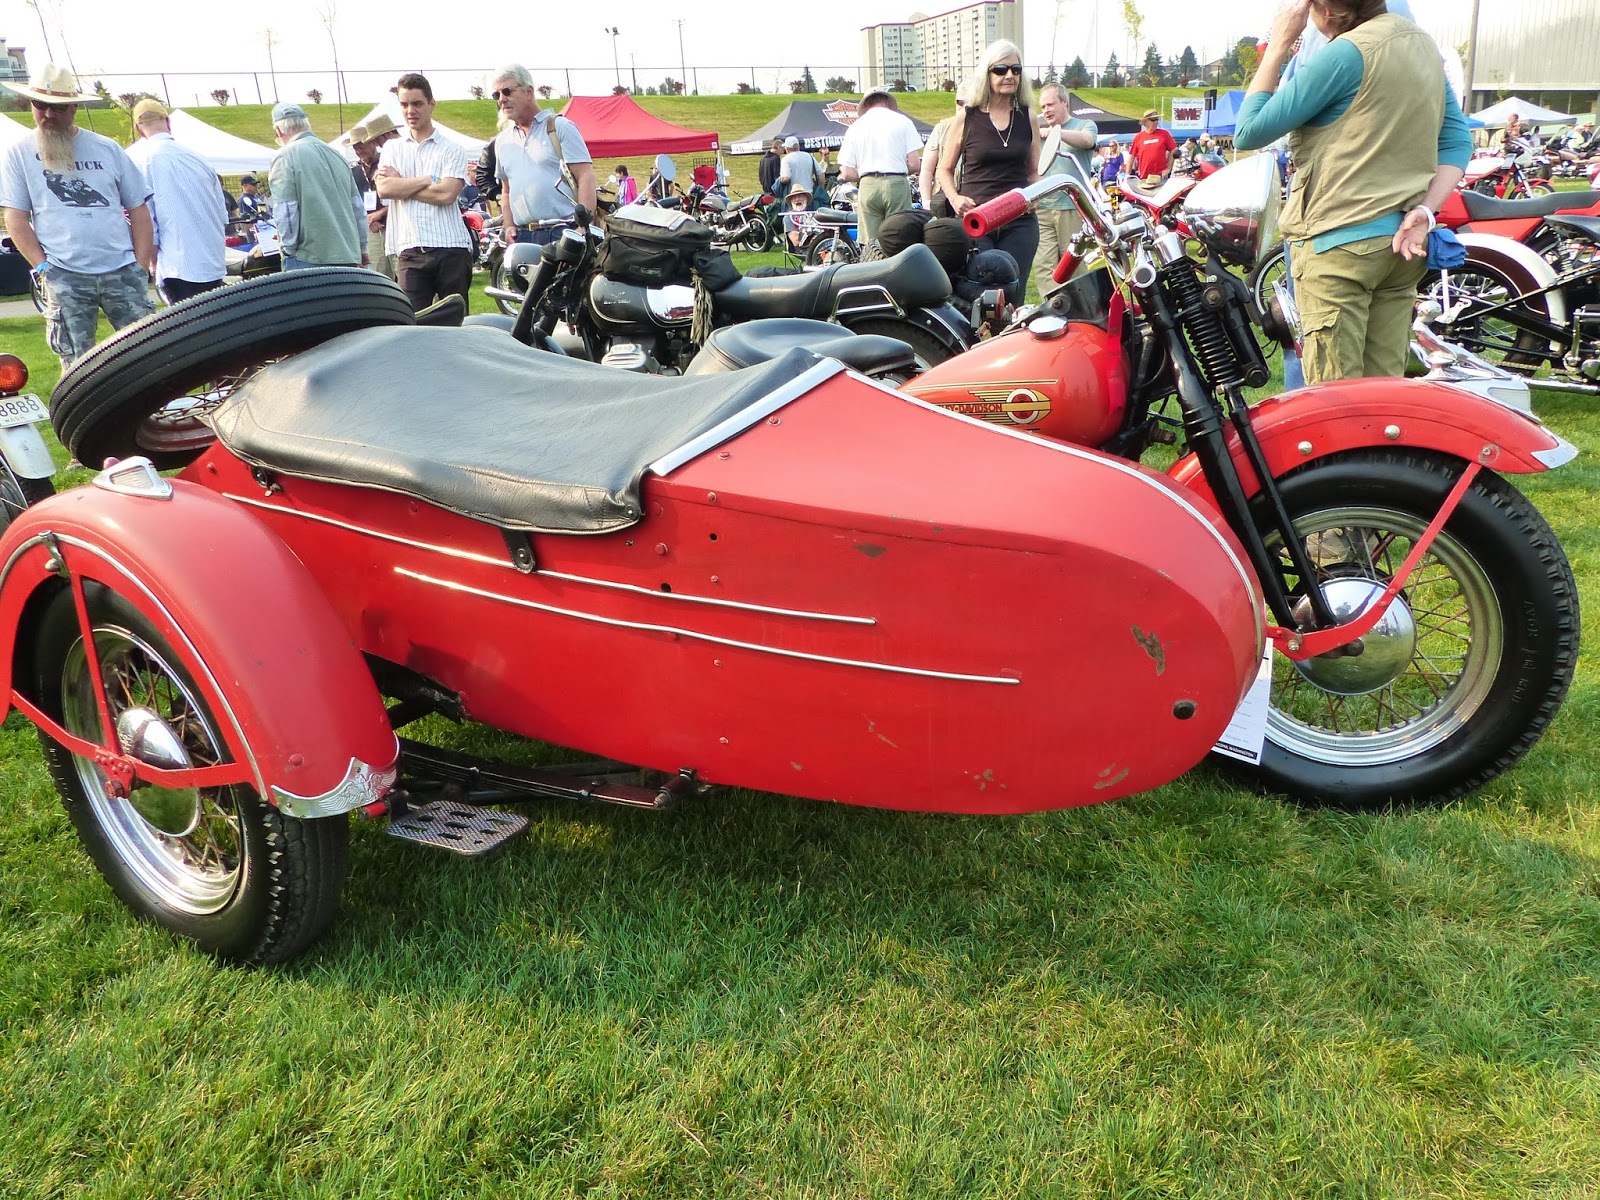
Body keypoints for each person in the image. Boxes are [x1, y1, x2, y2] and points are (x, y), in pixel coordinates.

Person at [1235, 0, 1471, 384]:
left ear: (1327, 12)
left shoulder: (1345, 54)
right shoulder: (1422, 46)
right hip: (1403, 244)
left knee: (1337, 401)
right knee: (1384, 392)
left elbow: (1249, 131)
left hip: (1338, 246)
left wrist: (1279, 44)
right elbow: (1458, 140)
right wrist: (1427, 211)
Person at [0, 63, 155, 368]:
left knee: (146, 356)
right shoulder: (19, 153)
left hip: (122, 269)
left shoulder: (107, 149)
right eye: (39, 105)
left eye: (57, 107)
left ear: (74, 108)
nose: (47, 114)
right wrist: (43, 268)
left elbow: (139, 209)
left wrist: (140, 265)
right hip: (64, 273)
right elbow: (15, 218)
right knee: (76, 365)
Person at [938, 39, 1038, 304]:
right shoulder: (968, 116)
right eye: (1001, 70)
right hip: (976, 220)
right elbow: (944, 169)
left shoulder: (1028, 116)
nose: (1009, 75)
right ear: (987, 74)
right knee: (980, 297)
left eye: (1016, 70)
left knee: (1013, 296)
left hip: (1019, 220)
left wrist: (1037, 194)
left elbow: (1033, 172)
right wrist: (955, 198)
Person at [378, 72, 474, 309]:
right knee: (411, 323)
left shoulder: (452, 149)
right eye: (404, 104)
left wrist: (402, 185)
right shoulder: (391, 148)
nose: (410, 110)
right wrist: (427, 180)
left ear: (431, 104)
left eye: (417, 103)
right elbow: (385, 189)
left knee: (454, 323)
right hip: (410, 250)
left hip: (451, 247)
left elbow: (446, 195)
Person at [126, 98, 228, 303]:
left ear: (138, 129)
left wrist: (153, 263)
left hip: (177, 266)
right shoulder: (200, 159)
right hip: (212, 263)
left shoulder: (142, 163)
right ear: (168, 122)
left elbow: (147, 223)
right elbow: (221, 214)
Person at [490, 63, 596, 247]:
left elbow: (585, 176)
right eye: (496, 95)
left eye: (507, 91)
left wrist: (583, 229)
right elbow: (506, 191)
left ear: (529, 92)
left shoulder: (560, 127)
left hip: (562, 231)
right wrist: (508, 225)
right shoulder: (502, 141)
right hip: (522, 237)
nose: (502, 99)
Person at [268, 101, 364, 271]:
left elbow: (286, 210)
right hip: (348, 255)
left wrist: (287, 249)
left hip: (309, 257)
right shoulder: (337, 156)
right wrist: (362, 247)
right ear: (306, 124)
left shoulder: (284, 156)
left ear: (278, 131)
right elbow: (357, 207)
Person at [838, 87, 923, 249]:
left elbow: (846, 173)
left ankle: (872, 263)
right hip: (896, 184)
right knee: (899, 239)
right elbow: (914, 164)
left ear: (866, 105)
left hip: (868, 185)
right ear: (887, 102)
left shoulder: (855, 127)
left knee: (871, 244)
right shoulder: (903, 122)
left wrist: (864, 174)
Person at [1034, 82, 1096, 297]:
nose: (1046, 110)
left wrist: (1057, 134)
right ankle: (1054, 307)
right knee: (1043, 266)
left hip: (1072, 207)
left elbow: (1088, 140)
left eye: (1050, 104)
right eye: (1043, 107)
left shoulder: (1084, 125)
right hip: (1043, 208)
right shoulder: (1040, 133)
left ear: (1064, 102)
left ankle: (1082, 308)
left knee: (1073, 264)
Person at [350, 114, 400, 280]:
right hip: (372, 232)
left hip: (396, 226)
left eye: (361, 147)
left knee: (404, 275)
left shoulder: (388, 162)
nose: (359, 151)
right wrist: (369, 220)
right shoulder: (354, 172)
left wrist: (379, 214)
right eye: (355, 148)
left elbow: (401, 194)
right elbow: (352, 203)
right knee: (380, 278)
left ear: (372, 143)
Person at [920, 88, 968, 218]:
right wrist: (926, 202)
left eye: (969, 103)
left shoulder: (988, 127)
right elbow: (926, 170)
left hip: (973, 199)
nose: (964, 107)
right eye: (960, 102)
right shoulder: (942, 127)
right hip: (943, 200)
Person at [1128, 109, 1178, 185]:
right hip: (1144, 177)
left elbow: (1174, 150)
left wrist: (1168, 168)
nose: (1156, 122)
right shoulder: (1138, 137)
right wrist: (1127, 174)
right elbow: (1131, 156)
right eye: (1153, 120)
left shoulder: (1164, 134)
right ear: (1146, 122)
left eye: (1157, 119)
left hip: (1161, 176)